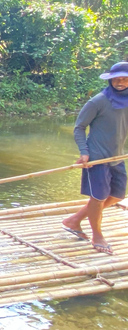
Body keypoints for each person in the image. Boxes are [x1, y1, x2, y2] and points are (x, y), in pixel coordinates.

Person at [62, 62, 128, 255]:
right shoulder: (98, 101)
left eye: (125, 78)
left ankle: (74, 220)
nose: (120, 82)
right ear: (110, 80)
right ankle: (97, 235)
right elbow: (79, 127)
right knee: (98, 198)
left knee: (117, 196)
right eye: (117, 78)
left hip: (117, 156)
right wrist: (84, 152)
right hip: (97, 158)